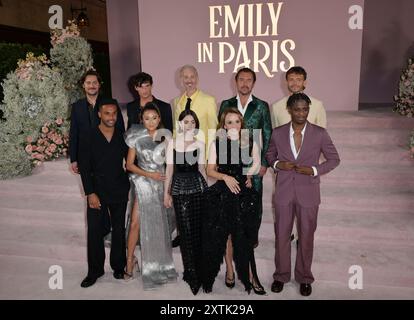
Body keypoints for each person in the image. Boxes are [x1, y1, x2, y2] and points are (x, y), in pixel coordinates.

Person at [265, 93, 340, 296]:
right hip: (283, 192)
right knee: (282, 236)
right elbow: (270, 155)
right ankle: (281, 275)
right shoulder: (278, 133)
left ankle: (305, 277)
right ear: (289, 110)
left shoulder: (320, 133)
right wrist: (279, 164)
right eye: (297, 109)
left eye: (305, 109)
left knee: (306, 237)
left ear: (309, 109)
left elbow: (334, 159)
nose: (301, 113)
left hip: (309, 193)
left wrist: (314, 170)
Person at [202, 108, 266, 295]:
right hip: (223, 191)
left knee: (243, 236)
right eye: (229, 122)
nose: (233, 126)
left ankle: (252, 276)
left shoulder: (249, 141)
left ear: (241, 124)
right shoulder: (217, 143)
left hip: (242, 193)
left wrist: (246, 174)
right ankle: (229, 270)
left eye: (237, 122)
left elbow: (255, 163)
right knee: (227, 236)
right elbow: (209, 170)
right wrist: (225, 177)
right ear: (224, 125)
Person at [218, 67, 272, 285]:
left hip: (253, 163)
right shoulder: (226, 104)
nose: (245, 83)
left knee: (254, 200)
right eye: (241, 79)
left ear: (254, 83)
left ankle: (252, 235)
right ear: (236, 81)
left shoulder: (261, 106)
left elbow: (267, 133)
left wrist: (265, 163)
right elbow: (220, 131)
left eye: (249, 80)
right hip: (231, 165)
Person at [271, 66, 327, 244]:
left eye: (298, 79)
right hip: (285, 170)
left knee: (306, 213)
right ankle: (286, 234)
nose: (295, 83)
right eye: (291, 79)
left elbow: (321, 135)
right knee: (284, 209)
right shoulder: (277, 107)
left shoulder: (317, 105)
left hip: (306, 170)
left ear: (305, 82)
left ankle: (303, 239)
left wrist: (313, 168)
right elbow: (275, 137)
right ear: (286, 82)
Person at [124, 102, 177, 289]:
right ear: (142, 119)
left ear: (159, 118)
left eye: (154, 117)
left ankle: (159, 266)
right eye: (147, 118)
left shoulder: (167, 136)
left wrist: (168, 191)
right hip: (142, 182)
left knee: (159, 226)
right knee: (135, 224)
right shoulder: (135, 136)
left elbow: (170, 165)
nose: (151, 121)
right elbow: (129, 165)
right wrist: (149, 175)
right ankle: (130, 261)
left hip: (161, 184)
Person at [77, 99, 130, 288]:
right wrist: (90, 193)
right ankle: (95, 271)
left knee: (119, 230)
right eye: (107, 113)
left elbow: (130, 162)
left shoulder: (122, 136)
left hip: (119, 188)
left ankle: (118, 266)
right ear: (99, 114)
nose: (111, 117)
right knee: (94, 231)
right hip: (97, 190)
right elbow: (84, 167)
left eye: (114, 113)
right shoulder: (88, 135)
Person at [172, 64, 218, 247]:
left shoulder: (208, 100)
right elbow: (177, 131)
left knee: (201, 200)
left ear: (197, 78)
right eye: (185, 77)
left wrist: (210, 160)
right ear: (180, 79)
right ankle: (184, 233)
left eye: (192, 77)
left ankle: (201, 234)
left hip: (202, 158)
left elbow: (214, 130)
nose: (188, 80)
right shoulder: (177, 102)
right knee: (183, 197)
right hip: (183, 158)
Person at [164, 109, 207, 295]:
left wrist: (209, 194)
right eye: (186, 121)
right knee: (186, 233)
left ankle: (200, 271)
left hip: (198, 188)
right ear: (180, 124)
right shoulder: (172, 143)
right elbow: (169, 171)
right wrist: (167, 193)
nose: (189, 124)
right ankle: (191, 273)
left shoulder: (201, 144)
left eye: (192, 122)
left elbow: (203, 170)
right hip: (180, 189)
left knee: (199, 232)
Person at [69, 69, 125, 174]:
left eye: (95, 82)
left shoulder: (111, 103)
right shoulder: (77, 106)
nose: (92, 86)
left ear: (99, 85)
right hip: (85, 156)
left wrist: (120, 153)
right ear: (83, 85)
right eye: (88, 83)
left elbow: (120, 128)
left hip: (108, 155)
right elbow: (74, 133)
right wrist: (74, 159)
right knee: (90, 188)